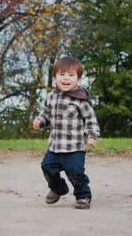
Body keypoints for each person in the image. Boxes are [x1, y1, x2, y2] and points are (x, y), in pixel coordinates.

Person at [33, 56, 100, 209]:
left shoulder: (81, 101)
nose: (66, 78)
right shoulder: (51, 97)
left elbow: (91, 120)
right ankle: (58, 188)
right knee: (47, 167)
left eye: (71, 75)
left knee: (75, 172)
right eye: (62, 75)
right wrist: (40, 121)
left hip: (74, 147)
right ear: (55, 77)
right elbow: (46, 115)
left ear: (78, 79)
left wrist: (92, 136)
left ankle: (83, 196)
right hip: (55, 146)